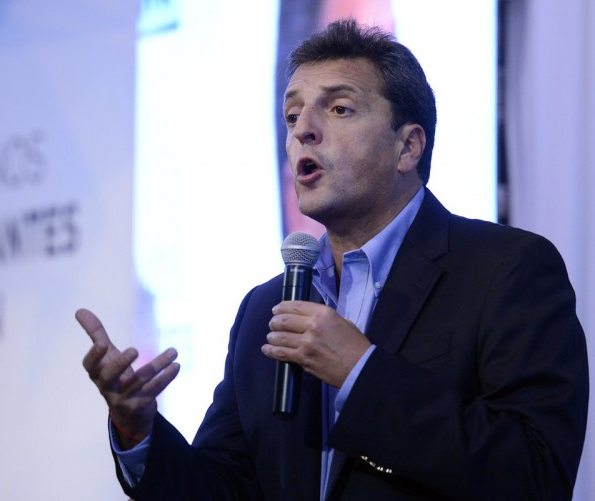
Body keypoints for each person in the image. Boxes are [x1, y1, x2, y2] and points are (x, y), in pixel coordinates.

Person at [77, 19, 589, 500]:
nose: (303, 129)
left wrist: (361, 373)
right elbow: (224, 487)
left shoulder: (505, 270)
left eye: (339, 109)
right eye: (292, 115)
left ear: (408, 148)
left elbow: (536, 473)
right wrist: (138, 431)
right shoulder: (265, 310)